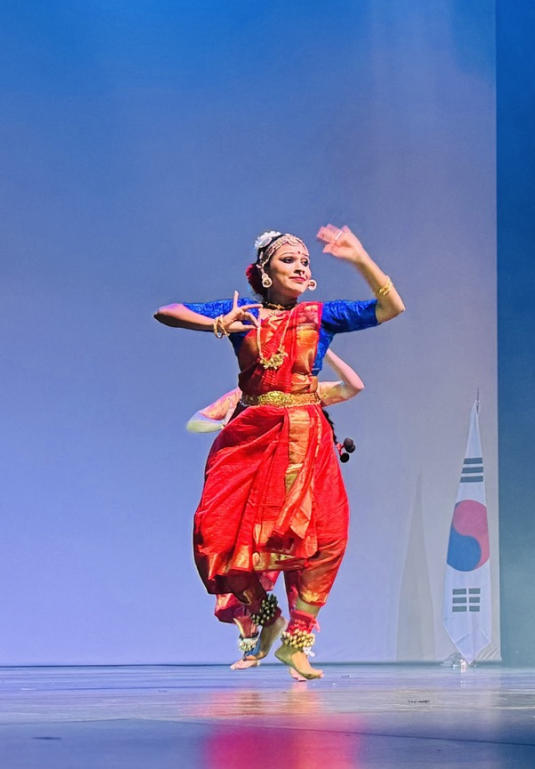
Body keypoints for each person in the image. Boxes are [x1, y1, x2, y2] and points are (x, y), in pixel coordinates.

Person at [155, 225, 403, 680]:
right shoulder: (243, 314)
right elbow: (165, 311)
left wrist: (361, 257)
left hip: (307, 440)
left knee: (321, 539)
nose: (300, 266)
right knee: (219, 534)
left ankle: (298, 640)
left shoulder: (321, 315)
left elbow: (391, 307)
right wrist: (216, 324)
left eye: (305, 263)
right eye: (288, 260)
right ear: (265, 273)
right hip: (250, 437)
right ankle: (264, 616)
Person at [190, 350, 365, 670]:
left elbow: (353, 386)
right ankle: (256, 641)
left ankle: (297, 649)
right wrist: (226, 428)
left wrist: (326, 349)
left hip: (300, 496)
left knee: (307, 569)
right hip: (257, 499)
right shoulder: (241, 398)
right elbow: (198, 419)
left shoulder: (306, 392)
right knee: (235, 562)